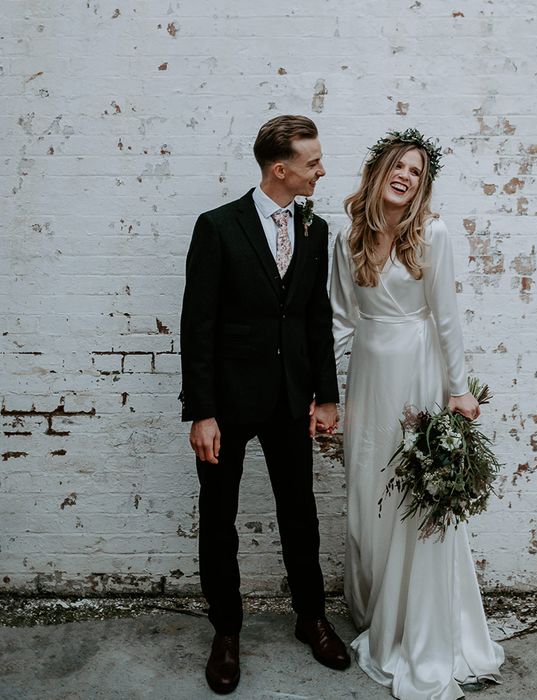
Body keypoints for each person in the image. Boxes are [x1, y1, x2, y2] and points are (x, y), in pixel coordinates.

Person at [330, 129, 504, 700]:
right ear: (379, 171)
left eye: (418, 170)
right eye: (398, 166)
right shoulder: (348, 232)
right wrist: (326, 392)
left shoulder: (433, 233)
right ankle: (378, 614)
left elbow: (447, 316)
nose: (407, 175)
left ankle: (420, 631)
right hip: (366, 378)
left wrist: (458, 391)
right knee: (366, 496)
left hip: (418, 373)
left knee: (411, 496)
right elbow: (339, 319)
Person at [179, 114, 350, 695]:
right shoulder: (218, 228)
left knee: (299, 513)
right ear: (282, 169)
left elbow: (315, 318)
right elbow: (196, 326)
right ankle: (226, 632)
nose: (321, 170)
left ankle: (311, 617)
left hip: (289, 400)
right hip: (226, 405)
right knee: (219, 520)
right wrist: (201, 412)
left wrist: (325, 394)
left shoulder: (315, 228)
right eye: (313, 162)